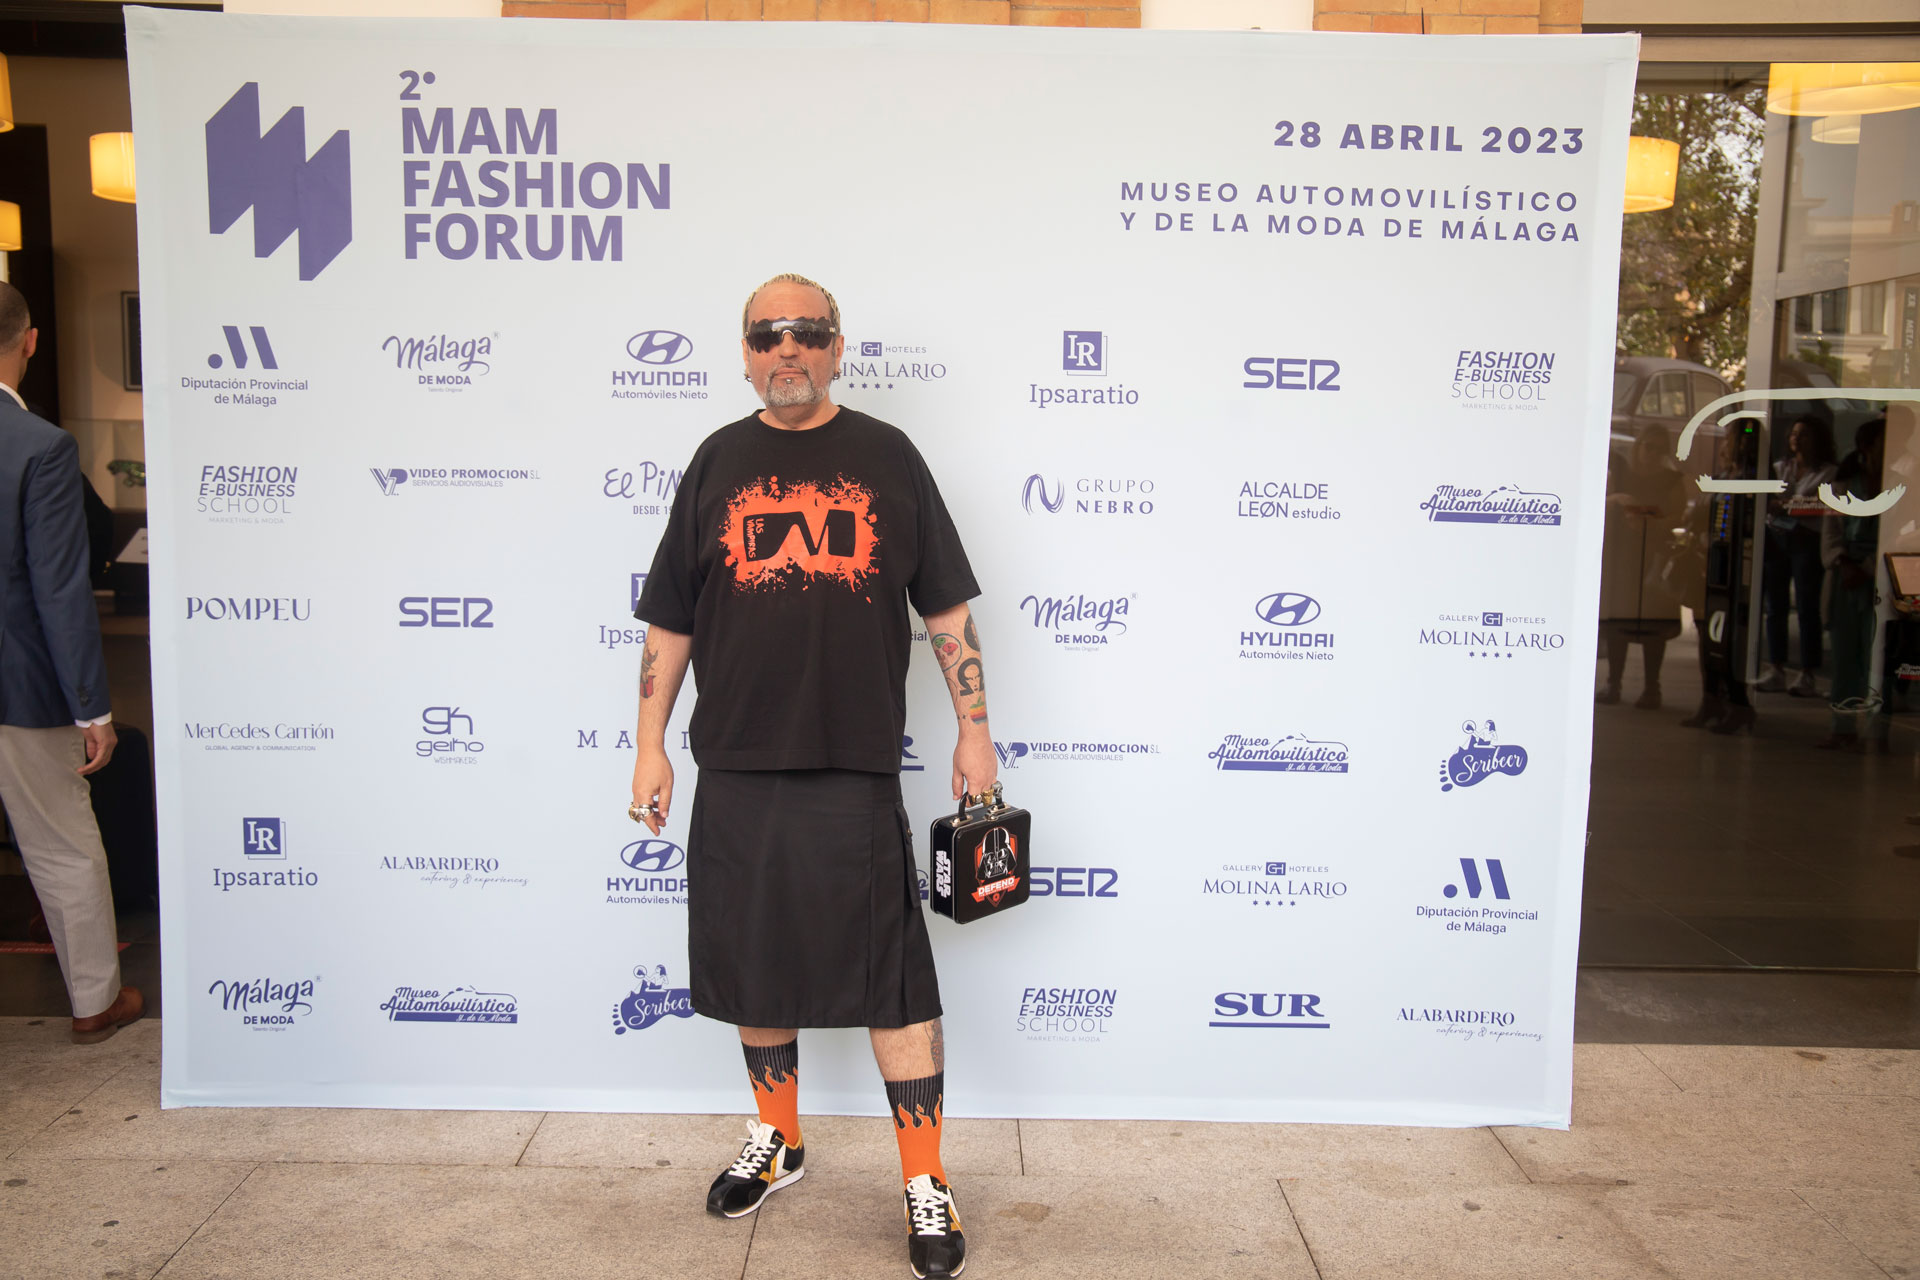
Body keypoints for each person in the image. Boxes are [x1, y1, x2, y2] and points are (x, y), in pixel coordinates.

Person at [630, 274, 989, 1280]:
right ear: (745, 354)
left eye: (806, 332)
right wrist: (650, 742)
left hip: (854, 764)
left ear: (836, 346)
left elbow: (947, 610)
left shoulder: (889, 455)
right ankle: (779, 1138)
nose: (785, 348)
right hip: (737, 761)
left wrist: (975, 732)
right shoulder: (716, 460)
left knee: (894, 986)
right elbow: (672, 620)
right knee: (756, 965)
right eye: (765, 335)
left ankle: (925, 1178)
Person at [0, 283, 140, 1043]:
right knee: (60, 845)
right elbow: (59, 588)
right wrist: (94, 709)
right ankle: (93, 1001)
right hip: (18, 688)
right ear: (30, 341)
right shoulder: (40, 447)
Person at [1597, 428, 1686, 709]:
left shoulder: (1671, 479)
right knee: (1617, 623)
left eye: (1660, 449)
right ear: (1638, 446)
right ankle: (1613, 683)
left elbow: (1677, 515)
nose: (1652, 453)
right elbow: (1600, 501)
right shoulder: (1622, 474)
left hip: (1654, 557)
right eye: (1649, 446)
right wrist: (1617, 501)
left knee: (1653, 626)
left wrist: (1646, 518)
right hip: (1622, 556)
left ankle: (1651, 688)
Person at [1818, 416, 1888, 751]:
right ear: (1866, 446)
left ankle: (1877, 731)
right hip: (1845, 580)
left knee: (1878, 659)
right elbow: (1831, 535)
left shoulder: (1902, 485)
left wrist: (1869, 567)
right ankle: (1842, 727)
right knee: (1845, 657)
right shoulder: (1842, 485)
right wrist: (1844, 563)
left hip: (1880, 580)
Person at [1759, 415, 1838, 695]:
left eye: (1803, 434)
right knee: (1775, 607)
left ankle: (1807, 673)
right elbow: (1766, 499)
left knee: (1807, 607)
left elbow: (1821, 505)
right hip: (1777, 539)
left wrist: (1786, 506)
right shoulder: (1780, 468)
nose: (1796, 439)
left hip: (1807, 541)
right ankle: (1776, 668)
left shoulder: (1828, 472)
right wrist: (1783, 505)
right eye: (1794, 434)